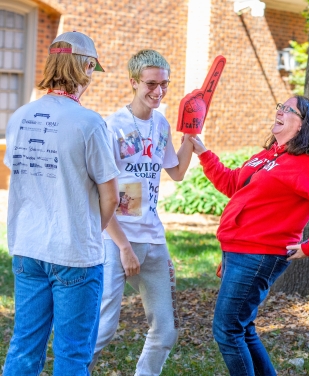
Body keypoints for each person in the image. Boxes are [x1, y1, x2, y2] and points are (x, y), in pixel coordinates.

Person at [188, 95, 309, 376]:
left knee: (227, 329)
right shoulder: (268, 155)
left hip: (259, 255)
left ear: (302, 125)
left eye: (289, 109)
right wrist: (203, 152)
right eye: (280, 107)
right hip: (239, 251)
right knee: (242, 328)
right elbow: (232, 183)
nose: (280, 111)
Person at [2, 31, 120, 375]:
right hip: (74, 256)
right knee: (72, 355)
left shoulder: (19, 116)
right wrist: (88, 231)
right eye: (92, 70)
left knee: (24, 346)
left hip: (27, 248)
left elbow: (18, 177)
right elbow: (110, 196)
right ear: (85, 66)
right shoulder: (89, 122)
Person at [89, 49, 194, 376]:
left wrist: (191, 134)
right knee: (103, 326)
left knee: (167, 328)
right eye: (151, 84)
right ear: (133, 82)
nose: (158, 91)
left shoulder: (161, 123)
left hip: (153, 239)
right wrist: (123, 248)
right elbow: (99, 194)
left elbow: (175, 172)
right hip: (115, 240)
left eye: (164, 84)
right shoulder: (112, 126)